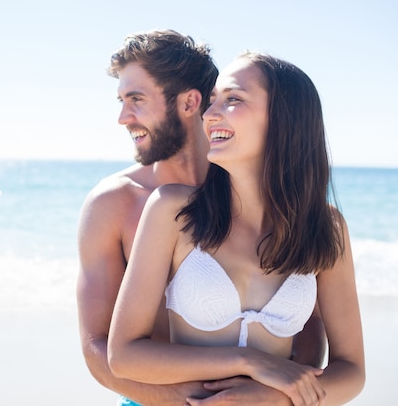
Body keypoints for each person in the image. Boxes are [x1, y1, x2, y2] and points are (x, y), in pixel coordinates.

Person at [77, 31, 327, 406]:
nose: (122, 118)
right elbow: (98, 349)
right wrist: (204, 401)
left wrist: (276, 393)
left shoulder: (263, 192)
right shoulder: (115, 203)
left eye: (136, 100)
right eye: (121, 101)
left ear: (190, 102)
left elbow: (307, 324)